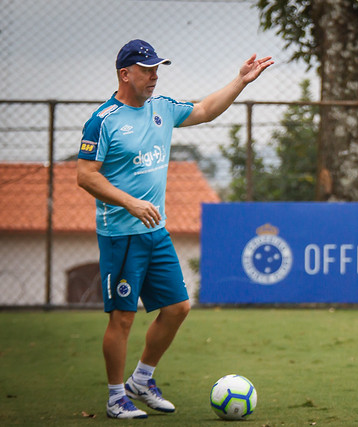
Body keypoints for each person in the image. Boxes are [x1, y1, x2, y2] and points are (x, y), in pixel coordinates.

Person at [77, 39, 273, 419]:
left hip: (156, 232)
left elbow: (203, 109)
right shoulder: (103, 121)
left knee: (179, 307)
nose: (153, 76)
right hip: (121, 234)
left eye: (156, 69)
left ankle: (141, 379)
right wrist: (130, 202)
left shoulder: (161, 109)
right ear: (125, 74)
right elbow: (85, 176)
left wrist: (241, 81)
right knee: (123, 317)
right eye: (147, 69)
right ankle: (116, 396)